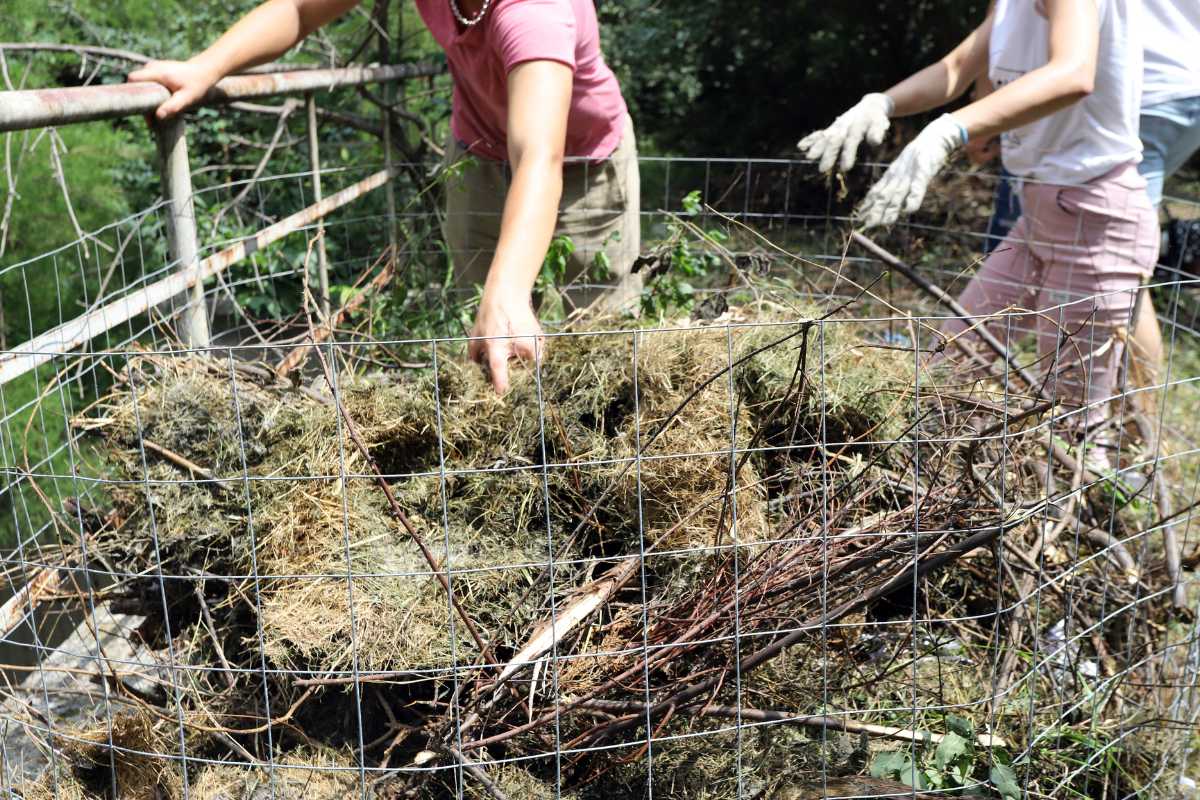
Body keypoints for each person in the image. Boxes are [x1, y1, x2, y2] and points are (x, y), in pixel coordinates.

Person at [129, 0, 641, 394]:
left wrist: (508, 288)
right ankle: (508, 473)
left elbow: (538, 156)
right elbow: (298, 9)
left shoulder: (535, 10)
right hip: (479, 154)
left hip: (581, 164)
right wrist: (206, 66)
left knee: (600, 340)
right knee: (487, 336)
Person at [799, 0, 1159, 462]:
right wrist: (881, 103)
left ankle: (1096, 514)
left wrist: (950, 130)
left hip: (1095, 220)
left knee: (1074, 423)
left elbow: (1074, 72)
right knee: (950, 365)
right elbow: (955, 67)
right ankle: (935, 491)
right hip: (1038, 217)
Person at [969, 0, 1200, 399]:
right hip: (1184, 83)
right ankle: (1130, 429)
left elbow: (1073, 71)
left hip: (1143, 87)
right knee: (1105, 265)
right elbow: (977, 49)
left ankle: (1134, 434)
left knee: (1113, 263)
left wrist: (967, 120)